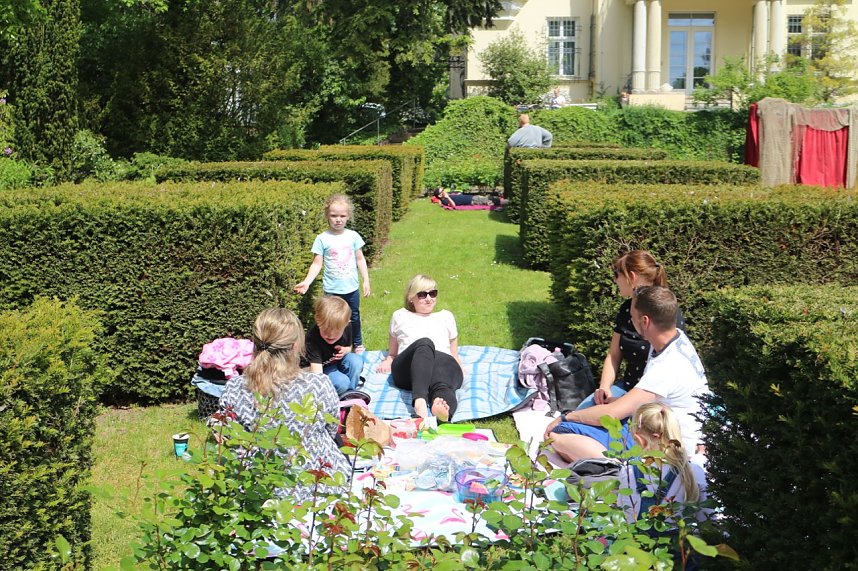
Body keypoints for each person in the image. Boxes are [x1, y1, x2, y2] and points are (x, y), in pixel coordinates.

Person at [544, 286, 708, 463]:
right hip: (661, 426)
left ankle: (620, 469)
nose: (630, 320)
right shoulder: (676, 338)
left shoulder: (667, 367)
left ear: (645, 321)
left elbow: (610, 414)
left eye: (632, 317)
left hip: (667, 445)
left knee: (557, 435)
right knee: (583, 420)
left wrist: (565, 416)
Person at [218, 307, 349, 502]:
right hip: (317, 489)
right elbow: (331, 430)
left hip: (256, 491)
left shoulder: (235, 387)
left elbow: (227, 438)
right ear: (295, 346)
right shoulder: (318, 384)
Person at [577, 250, 686, 409]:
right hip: (626, 388)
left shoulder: (667, 313)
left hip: (656, 399)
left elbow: (670, 371)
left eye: (616, 274)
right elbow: (614, 355)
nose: (615, 280)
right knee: (581, 413)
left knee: (578, 422)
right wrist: (604, 387)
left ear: (632, 277)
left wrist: (622, 404)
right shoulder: (626, 310)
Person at [376, 274, 463, 421]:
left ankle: (442, 410)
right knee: (425, 343)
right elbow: (393, 352)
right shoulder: (400, 316)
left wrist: (458, 366)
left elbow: (454, 354)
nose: (429, 298)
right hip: (409, 369)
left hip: (440, 363)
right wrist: (389, 359)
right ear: (411, 297)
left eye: (432, 293)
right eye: (422, 295)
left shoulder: (446, 316)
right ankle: (420, 402)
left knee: (442, 385)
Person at [295, 194, 371, 353]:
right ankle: (329, 347)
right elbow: (317, 263)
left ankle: (356, 344)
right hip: (332, 290)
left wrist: (366, 280)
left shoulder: (353, 236)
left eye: (342, 216)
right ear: (327, 216)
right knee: (330, 320)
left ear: (348, 216)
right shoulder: (322, 239)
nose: (338, 219)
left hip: (351, 289)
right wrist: (307, 281)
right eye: (334, 215)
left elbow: (360, 259)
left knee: (353, 318)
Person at [618, 402, 710, 524]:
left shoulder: (628, 470)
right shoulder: (693, 471)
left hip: (636, 541)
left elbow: (625, 514)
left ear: (638, 438)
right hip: (682, 542)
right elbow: (708, 519)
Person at [305, 295, 364, 396]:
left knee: (356, 361)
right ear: (318, 322)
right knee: (342, 382)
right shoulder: (312, 339)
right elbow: (317, 375)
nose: (330, 335)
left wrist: (345, 350)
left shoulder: (347, 327)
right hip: (322, 368)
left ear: (346, 324)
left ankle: (350, 393)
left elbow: (350, 348)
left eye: (336, 332)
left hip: (337, 362)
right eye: (325, 330)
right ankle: (334, 397)